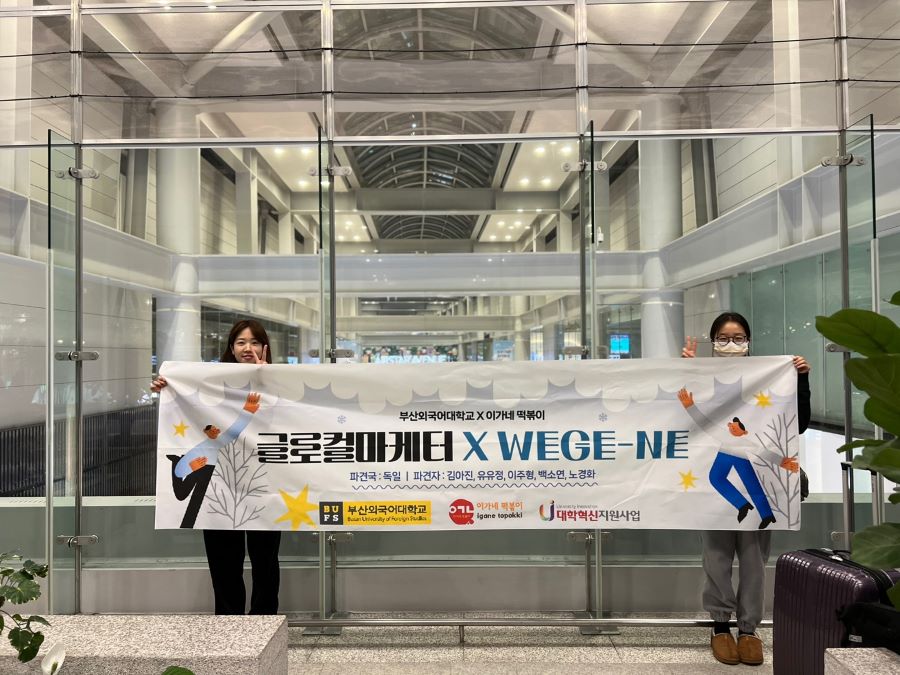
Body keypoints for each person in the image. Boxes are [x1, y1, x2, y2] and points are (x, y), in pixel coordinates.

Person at [683, 311, 810, 666]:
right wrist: (685, 372)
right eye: (723, 338)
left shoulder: (767, 378)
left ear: (749, 341)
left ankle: (749, 628)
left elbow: (798, 424)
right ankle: (720, 625)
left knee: (754, 559)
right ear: (712, 342)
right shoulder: (704, 378)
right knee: (717, 557)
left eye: (738, 338)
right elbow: (680, 419)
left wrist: (801, 380)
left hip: (756, 463)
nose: (731, 344)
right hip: (716, 473)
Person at [152, 319, 281, 615]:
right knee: (223, 563)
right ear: (231, 349)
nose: (247, 348)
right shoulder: (211, 385)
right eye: (241, 342)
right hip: (218, 485)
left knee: (265, 560)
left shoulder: (278, 383)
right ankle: (228, 625)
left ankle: (265, 624)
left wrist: (266, 380)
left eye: (254, 342)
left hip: (263, 483)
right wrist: (167, 389)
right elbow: (190, 410)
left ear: (264, 347)